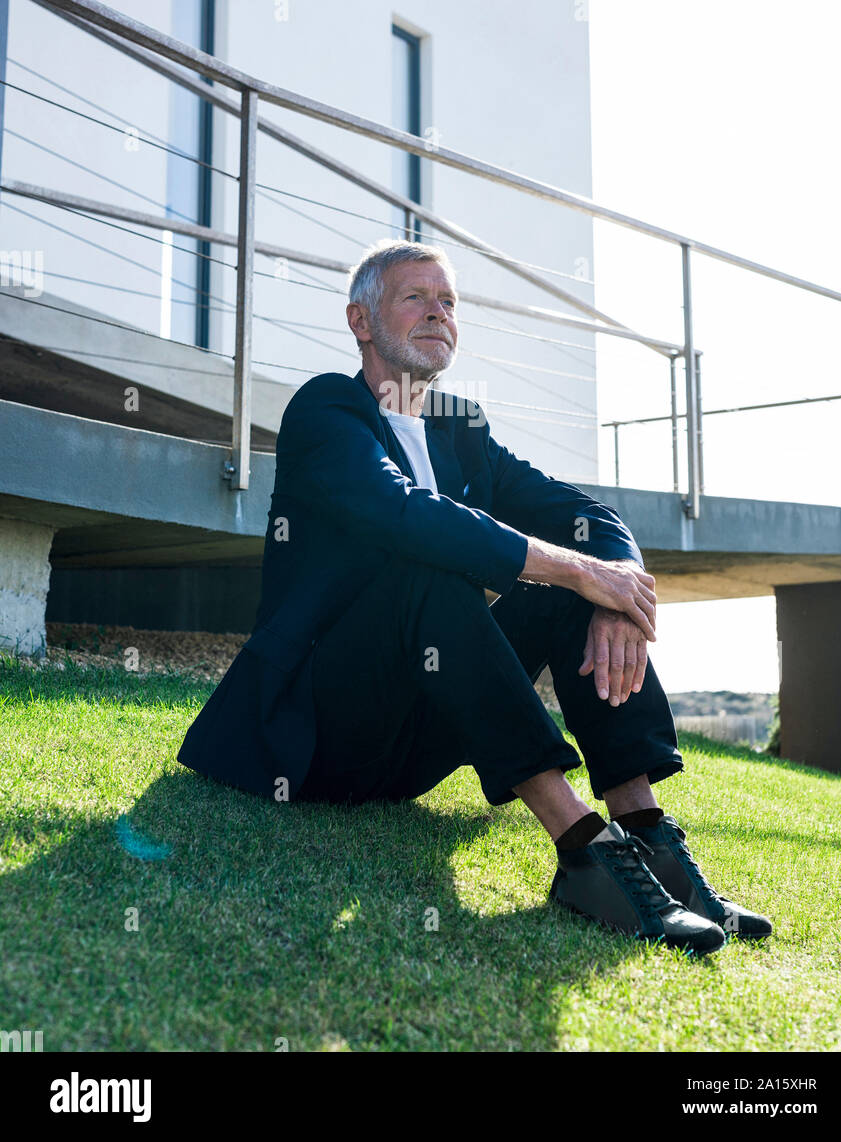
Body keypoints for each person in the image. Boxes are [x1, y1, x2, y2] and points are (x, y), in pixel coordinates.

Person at [177, 238, 772, 955]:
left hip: (412, 746)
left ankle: (649, 838)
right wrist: (578, 570)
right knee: (431, 563)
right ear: (360, 321)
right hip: (313, 735)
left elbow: (587, 517)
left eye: (450, 302)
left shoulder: (460, 431)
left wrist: (611, 587)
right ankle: (582, 848)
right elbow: (402, 514)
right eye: (415, 298)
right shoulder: (326, 410)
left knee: (575, 589)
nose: (439, 312)